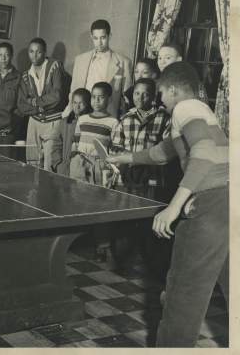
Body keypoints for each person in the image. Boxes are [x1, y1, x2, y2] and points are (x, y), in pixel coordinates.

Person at [108, 62, 228, 347]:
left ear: (173, 89)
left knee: (182, 296)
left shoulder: (185, 109)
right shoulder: (201, 111)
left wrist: (174, 206)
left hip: (211, 204)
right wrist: (121, 158)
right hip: (229, 200)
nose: (159, 99)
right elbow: (162, 153)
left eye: (161, 92)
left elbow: (206, 154)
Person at [110, 78, 170, 274]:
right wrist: (119, 158)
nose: (140, 97)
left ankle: (152, 265)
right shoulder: (126, 118)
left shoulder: (163, 118)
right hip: (126, 177)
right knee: (123, 220)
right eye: (136, 93)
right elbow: (116, 145)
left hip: (152, 177)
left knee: (149, 219)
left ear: (153, 96)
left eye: (145, 94)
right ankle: (121, 262)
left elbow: (167, 148)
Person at [70, 82, 118, 264]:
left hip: (99, 168)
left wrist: (105, 168)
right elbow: (75, 143)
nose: (96, 101)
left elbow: (114, 150)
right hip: (79, 166)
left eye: (101, 97)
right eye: (93, 97)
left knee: (100, 207)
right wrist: (75, 160)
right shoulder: (82, 120)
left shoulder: (113, 122)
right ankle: (74, 243)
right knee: (77, 204)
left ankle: (101, 247)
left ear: (108, 99)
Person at [17, 38, 65, 171]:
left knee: (50, 162)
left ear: (44, 52)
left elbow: (56, 96)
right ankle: (34, 191)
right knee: (32, 160)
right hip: (34, 121)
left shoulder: (54, 66)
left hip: (52, 121)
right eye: (31, 51)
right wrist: (40, 106)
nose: (34, 55)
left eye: (38, 52)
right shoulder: (26, 75)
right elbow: (21, 104)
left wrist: (34, 101)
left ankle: (47, 190)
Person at [69, 19, 133, 118]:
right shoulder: (80, 60)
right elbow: (73, 90)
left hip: (108, 115)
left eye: (103, 38)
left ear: (109, 36)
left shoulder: (124, 62)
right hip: (82, 112)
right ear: (91, 37)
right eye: (95, 38)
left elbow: (126, 98)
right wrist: (71, 111)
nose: (99, 42)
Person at [56, 88, 91, 177]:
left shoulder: (90, 123)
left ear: (88, 104)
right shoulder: (65, 122)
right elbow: (57, 143)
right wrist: (57, 163)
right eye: (75, 103)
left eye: (81, 103)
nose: (77, 106)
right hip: (64, 169)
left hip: (82, 170)